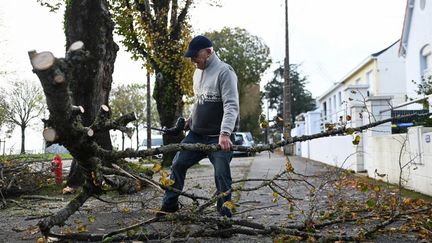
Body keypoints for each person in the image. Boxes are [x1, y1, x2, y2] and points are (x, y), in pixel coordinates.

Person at [158, 35, 240, 219]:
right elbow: (200, 102)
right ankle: (169, 206)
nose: (193, 59)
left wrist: (225, 133)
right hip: (196, 134)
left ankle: (225, 217)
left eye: (196, 56)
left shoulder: (225, 72)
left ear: (208, 52)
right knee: (178, 164)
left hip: (218, 137)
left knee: (221, 174)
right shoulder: (197, 72)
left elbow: (231, 105)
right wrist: (187, 122)